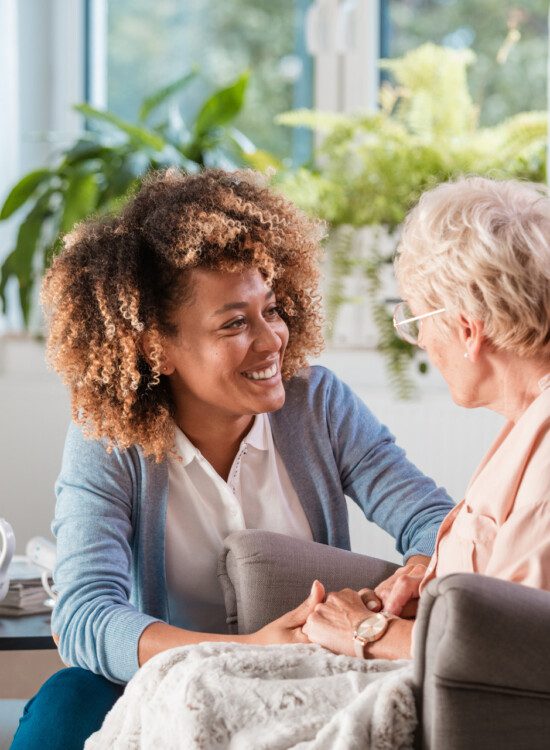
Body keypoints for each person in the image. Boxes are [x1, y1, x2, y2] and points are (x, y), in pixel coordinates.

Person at [10, 169, 453, 750]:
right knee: (68, 702)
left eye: (270, 309)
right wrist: (248, 651)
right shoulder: (107, 440)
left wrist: (419, 571)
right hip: (164, 684)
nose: (272, 340)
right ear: (156, 349)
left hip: (303, 681)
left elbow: (433, 519)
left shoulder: (316, 404)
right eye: (234, 323)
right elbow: (86, 616)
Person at [302, 176, 550, 661]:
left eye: (414, 321)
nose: (420, 343)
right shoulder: (526, 421)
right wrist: (434, 586)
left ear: (466, 330)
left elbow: (518, 651)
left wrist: (366, 631)